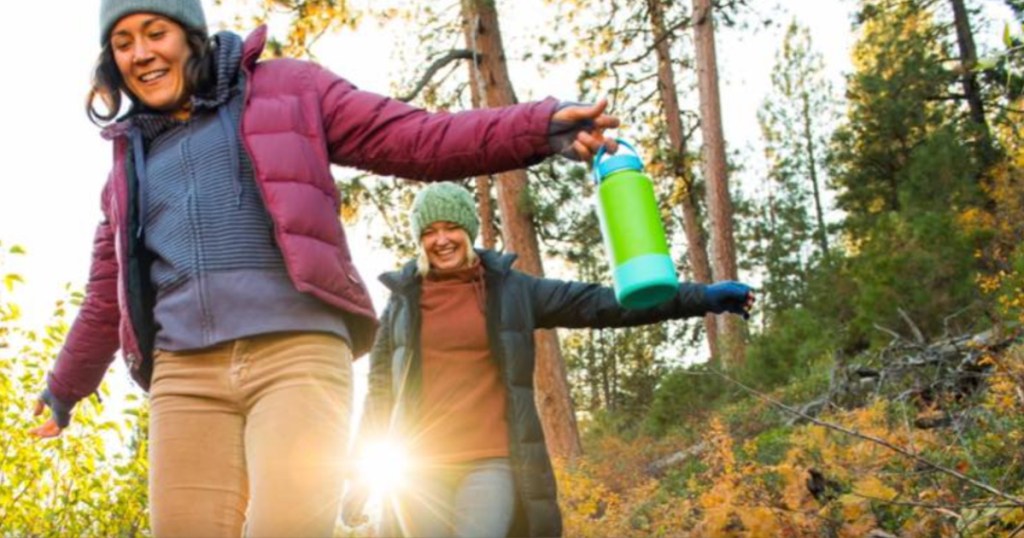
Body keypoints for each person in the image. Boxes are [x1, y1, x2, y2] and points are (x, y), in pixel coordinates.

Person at [28, 1, 620, 536]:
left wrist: (537, 127)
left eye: (155, 33)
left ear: (190, 37)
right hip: (185, 376)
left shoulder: (289, 89)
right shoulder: (127, 166)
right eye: (124, 42)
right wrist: (63, 389)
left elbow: (416, 138)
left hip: (295, 355)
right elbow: (106, 298)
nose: (141, 54)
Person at [343, 182, 755, 537]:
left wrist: (701, 297)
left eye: (451, 227)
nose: (442, 240)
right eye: (430, 231)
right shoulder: (400, 306)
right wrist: (360, 480)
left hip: (491, 463)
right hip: (418, 474)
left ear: (468, 230)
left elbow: (603, 304)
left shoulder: (512, 291)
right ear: (420, 239)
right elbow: (378, 397)